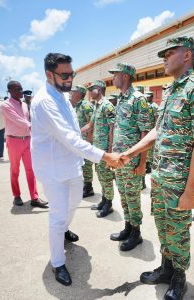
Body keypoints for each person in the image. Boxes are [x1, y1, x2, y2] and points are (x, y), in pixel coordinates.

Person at [119, 36, 194, 300]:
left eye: (170, 52)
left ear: (187, 55)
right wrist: (130, 152)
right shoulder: (172, 89)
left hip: (179, 182)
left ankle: (179, 277)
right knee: (163, 227)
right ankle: (166, 267)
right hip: (161, 177)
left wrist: (191, 190)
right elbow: (158, 131)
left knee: (179, 233)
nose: (164, 57)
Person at [30, 52, 121, 286]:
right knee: (57, 215)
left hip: (71, 163)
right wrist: (104, 156)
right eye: (65, 75)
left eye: (72, 74)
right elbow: (69, 137)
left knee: (73, 204)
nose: (70, 79)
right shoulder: (44, 101)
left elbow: (75, 131)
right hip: (53, 169)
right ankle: (58, 262)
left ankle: (64, 230)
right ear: (49, 74)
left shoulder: (62, 95)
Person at [108, 63, 153, 252]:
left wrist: (143, 163)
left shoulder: (138, 100)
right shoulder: (121, 98)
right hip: (120, 160)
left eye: (115, 74)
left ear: (125, 76)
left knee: (133, 197)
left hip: (133, 161)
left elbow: (146, 134)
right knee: (124, 196)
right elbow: (118, 130)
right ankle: (128, 227)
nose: (113, 78)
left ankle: (136, 232)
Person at [1, 81, 48, 208]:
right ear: (9, 91)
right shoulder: (5, 105)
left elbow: (28, 119)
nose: (20, 92)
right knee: (15, 170)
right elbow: (18, 120)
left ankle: (34, 197)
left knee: (31, 169)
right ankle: (16, 195)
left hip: (27, 140)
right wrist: (33, 127)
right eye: (17, 89)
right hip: (14, 141)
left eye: (21, 89)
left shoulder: (24, 105)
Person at [81, 80, 116, 218]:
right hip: (97, 149)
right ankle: (104, 200)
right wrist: (76, 133)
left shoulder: (107, 106)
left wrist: (110, 152)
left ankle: (109, 204)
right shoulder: (96, 106)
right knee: (101, 176)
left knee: (106, 177)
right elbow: (90, 125)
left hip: (105, 150)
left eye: (91, 89)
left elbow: (112, 130)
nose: (89, 92)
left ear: (99, 90)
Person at [69, 85, 95, 198]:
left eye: (73, 91)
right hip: (79, 140)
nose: (71, 93)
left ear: (79, 93)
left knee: (87, 165)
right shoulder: (75, 106)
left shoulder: (86, 106)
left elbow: (92, 124)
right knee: (81, 164)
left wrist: (89, 141)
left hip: (86, 141)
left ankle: (89, 187)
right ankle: (84, 185)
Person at [145, 91, 159, 174]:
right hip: (146, 130)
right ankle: (147, 164)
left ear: (151, 97)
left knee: (151, 149)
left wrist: (156, 129)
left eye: (148, 97)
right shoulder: (145, 105)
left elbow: (157, 119)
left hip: (152, 130)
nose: (146, 98)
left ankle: (151, 165)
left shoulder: (154, 106)